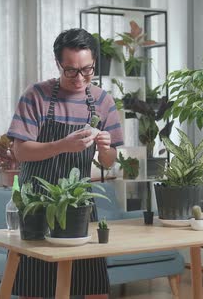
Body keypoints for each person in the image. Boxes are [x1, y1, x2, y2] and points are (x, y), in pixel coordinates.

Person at [7, 28, 124, 298]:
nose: (80, 78)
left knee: (93, 286)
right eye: (71, 70)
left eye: (87, 70)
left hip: (79, 204)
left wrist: (105, 147)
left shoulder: (103, 101)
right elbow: (19, 151)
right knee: (36, 287)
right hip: (37, 205)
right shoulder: (37, 95)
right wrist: (62, 145)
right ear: (58, 63)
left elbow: (109, 162)